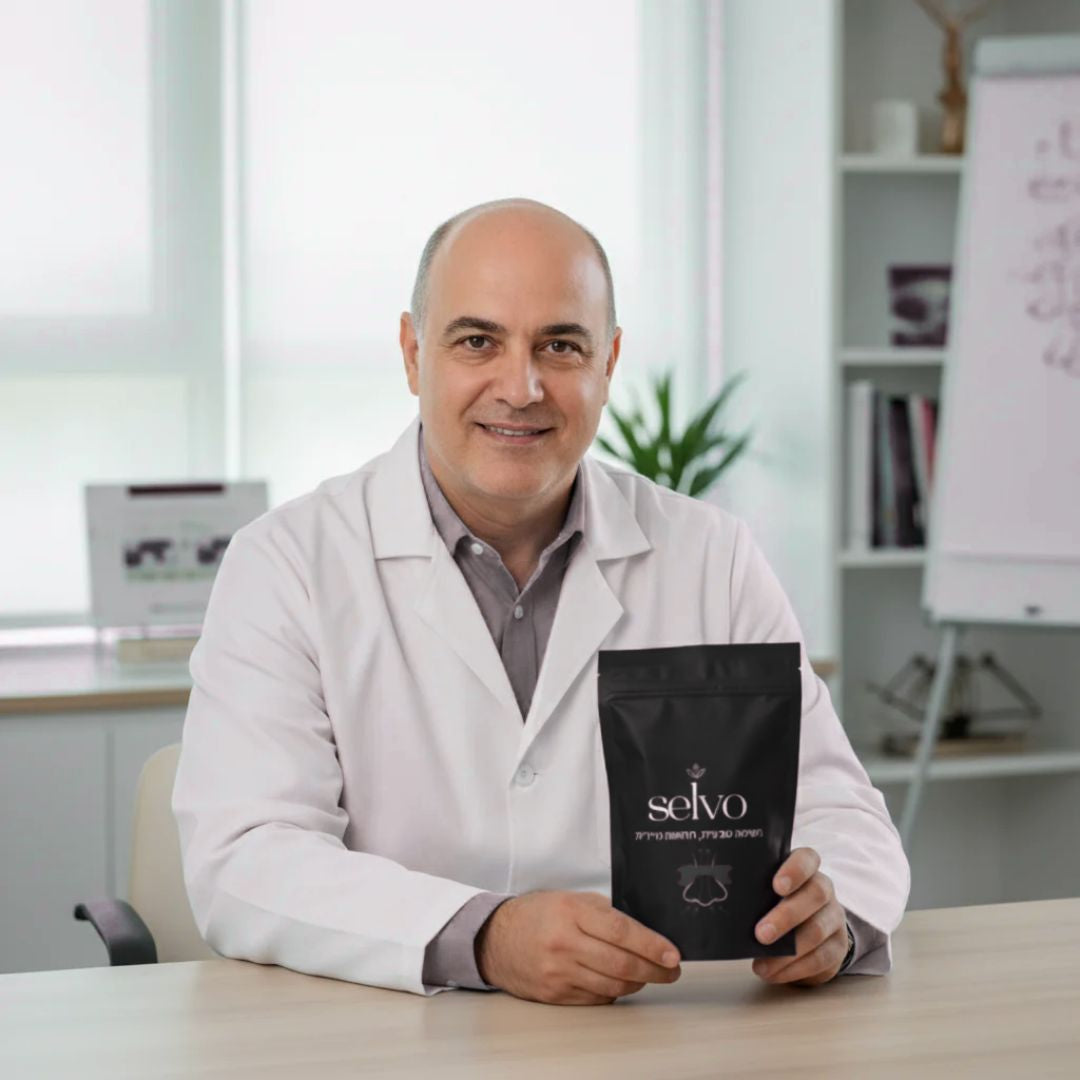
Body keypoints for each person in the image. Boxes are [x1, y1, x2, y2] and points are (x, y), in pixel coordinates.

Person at [173, 198, 910, 1005]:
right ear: (414, 355)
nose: (520, 388)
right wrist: (485, 936)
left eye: (560, 345)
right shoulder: (287, 564)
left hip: (658, 1026)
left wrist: (832, 912)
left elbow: (839, 810)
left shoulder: (711, 558)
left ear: (608, 362)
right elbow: (246, 857)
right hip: (388, 1033)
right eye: (477, 341)